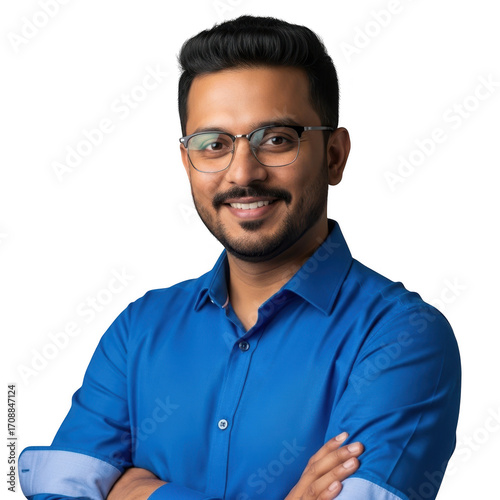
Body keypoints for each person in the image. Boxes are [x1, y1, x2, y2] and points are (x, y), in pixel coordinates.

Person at [19, 15, 461, 500]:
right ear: (188, 161)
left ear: (333, 155)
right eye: (213, 145)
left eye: (276, 139)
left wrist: (140, 492)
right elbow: (58, 491)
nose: (242, 173)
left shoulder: (404, 337)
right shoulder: (138, 330)